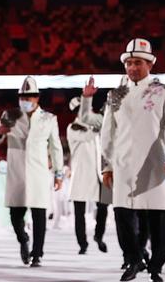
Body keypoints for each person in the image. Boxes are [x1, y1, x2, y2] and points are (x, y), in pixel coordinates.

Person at [101, 38, 165, 282]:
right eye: (128, 63)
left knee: (160, 217)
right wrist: (106, 165)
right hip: (123, 164)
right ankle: (134, 260)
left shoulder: (164, 92)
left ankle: (156, 266)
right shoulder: (115, 95)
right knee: (123, 217)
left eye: (138, 62)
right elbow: (107, 132)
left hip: (156, 163)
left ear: (150, 64)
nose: (132, 67)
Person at [0, 76, 63, 268]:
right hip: (17, 170)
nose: (26, 100)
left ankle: (37, 254)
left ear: (37, 98)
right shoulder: (10, 115)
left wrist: (58, 173)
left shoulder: (49, 119)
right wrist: (0, 132)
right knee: (15, 215)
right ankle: (23, 238)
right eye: (23, 96)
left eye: (30, 97)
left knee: (39, 213)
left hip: (39, 171)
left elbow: (55, 147)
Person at [66, 80, 110, 254]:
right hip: (82, 174)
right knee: (79, 213)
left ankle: (99, 236)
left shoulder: (96, 125)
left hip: (99, 173)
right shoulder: (73, 128)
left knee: (104, 207)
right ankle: (82, 243)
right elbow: (88, 136)